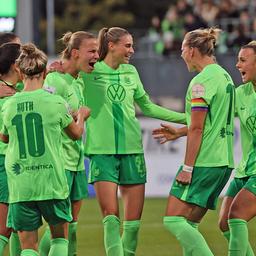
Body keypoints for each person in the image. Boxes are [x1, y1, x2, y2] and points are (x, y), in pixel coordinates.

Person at [73, 26, 186, 256]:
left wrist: (186, 117)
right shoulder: (88, 72)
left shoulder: (131, 72)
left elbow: (147, 107)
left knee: (133, 226)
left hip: (132, 150)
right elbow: (61, 79)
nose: (132, 50)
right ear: (111, 46)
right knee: (111, 219)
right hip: (101, 153)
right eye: (127, 46)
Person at [0, 43, 90, 256]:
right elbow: (76, 134)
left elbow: (3, 137)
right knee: (59, 239)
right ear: (44, 71)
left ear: (20, 71)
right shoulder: (56, 102)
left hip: (21, 184)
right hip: (52, 181)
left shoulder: (9, 104)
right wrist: (82, 116)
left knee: (28, 247)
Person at [152, 27, 235, 255]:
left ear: (190, 51)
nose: (180, 55)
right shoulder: (224, 76)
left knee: (173, 220)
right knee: (189, 225)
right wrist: (180, 132)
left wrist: (187, 168)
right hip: (223, 162)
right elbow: (210, 123)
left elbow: (198, 128)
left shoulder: (201, 82)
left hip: (204, 162)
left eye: (181, 50)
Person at [39, 31, 99, 256]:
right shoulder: (54, 79)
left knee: (71, 224)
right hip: (60, 161)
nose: (97, 55)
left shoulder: (78, 80)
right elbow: (47, 114)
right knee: (60, 229)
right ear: (75, 53)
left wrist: (77, 114)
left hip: (76, 161)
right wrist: (80, 115)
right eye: (92, 51)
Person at [218, 41, 256, 256]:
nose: (237, 64)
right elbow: (214, 121)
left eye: (243, 60)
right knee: (224, 223)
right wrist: (181, 130)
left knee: (237, 215)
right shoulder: (241, 93)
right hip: (246, 168)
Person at [0, 43, 21, 256]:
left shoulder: (21, 90)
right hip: (3, 161)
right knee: (5, 227)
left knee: (16, 224)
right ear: (16, 65)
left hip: (15, 162)